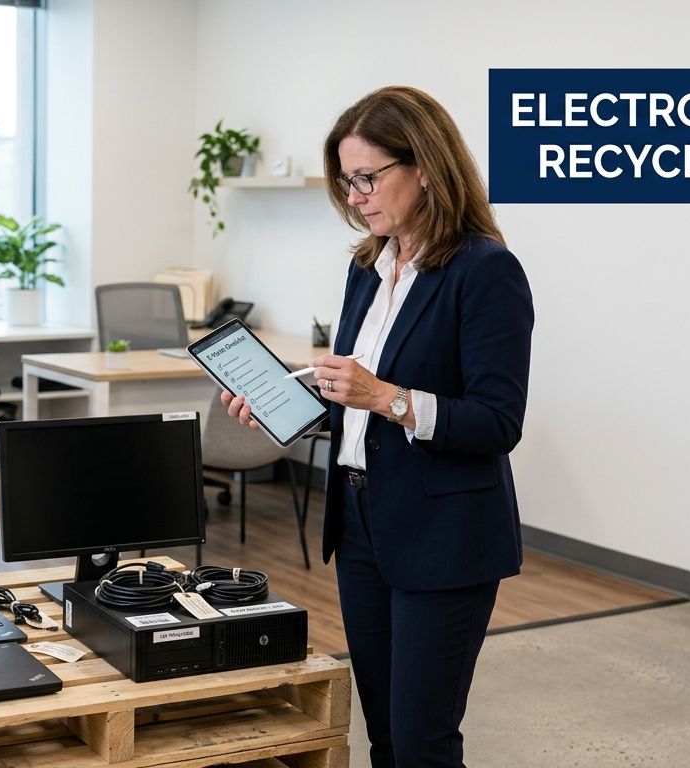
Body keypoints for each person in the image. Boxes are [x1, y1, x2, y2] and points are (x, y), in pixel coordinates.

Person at [221, 85, 534, 767]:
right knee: (384, 732)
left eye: (367, 178)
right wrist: (279, 403)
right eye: (347, 182)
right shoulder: (368, 265)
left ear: (424, 166)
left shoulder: (485, 271)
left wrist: (389, 396)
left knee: (423, 739)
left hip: (445, 533)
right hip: (362, 519)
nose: (356, 196)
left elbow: (499, 420)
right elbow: (351, 403)